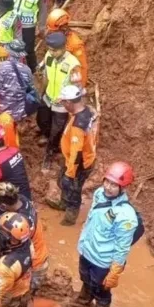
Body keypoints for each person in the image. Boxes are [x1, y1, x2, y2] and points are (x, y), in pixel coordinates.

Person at [76, 161, 141, 307]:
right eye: (107, 181)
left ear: (123, 188)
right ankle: (83, 300)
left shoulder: (126, 216)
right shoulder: (98, 194)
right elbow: (91, 218)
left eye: (114, 185)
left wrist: (115, 270)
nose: (108, 187)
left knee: (101, 289)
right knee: (84, 277)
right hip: (87, 250)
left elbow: (122, 246)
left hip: (102, 260)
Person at [37, 33, 85, 171]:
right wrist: (42, 92)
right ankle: (46, 136)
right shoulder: (49, 56)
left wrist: (68, 100)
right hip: (48, 97)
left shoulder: (73, 64)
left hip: (62, 104)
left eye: (55, 50)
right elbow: (46, 76)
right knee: (42, 120)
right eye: (50, 49)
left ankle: (49, 153)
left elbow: (78, 87)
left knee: (56, 130)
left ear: (64, 47)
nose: (52, 52)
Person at [52, 85, 98, 225]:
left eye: (64, 102)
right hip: (73, 160)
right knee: (62, 181)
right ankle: (63, 203)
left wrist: (70, 174)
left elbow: (77, 153)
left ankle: (70, 217)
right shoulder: (84, 111)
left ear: (69, 102)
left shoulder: (78, 125)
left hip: (80, 164)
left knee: (74, 189)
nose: (63, 105)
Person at [12, 0, 49, 70]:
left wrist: (41, 27)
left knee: (28, 48)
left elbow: (43, 12)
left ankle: (33, 68)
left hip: (28, 24)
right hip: (13, 20)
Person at [0, 39, 33, 123]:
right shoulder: (27, 70)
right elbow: (29, 89)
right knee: (15, 132)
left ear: (8, 51)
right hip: (19, 111)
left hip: (2, 111)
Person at [45, 8, 88, 76]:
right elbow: (49, 58)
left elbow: (81, 69)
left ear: (61, 28)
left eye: (53, 31)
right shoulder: (54, 40)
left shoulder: (75, 44)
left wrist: (79, 86)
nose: (51, 32)